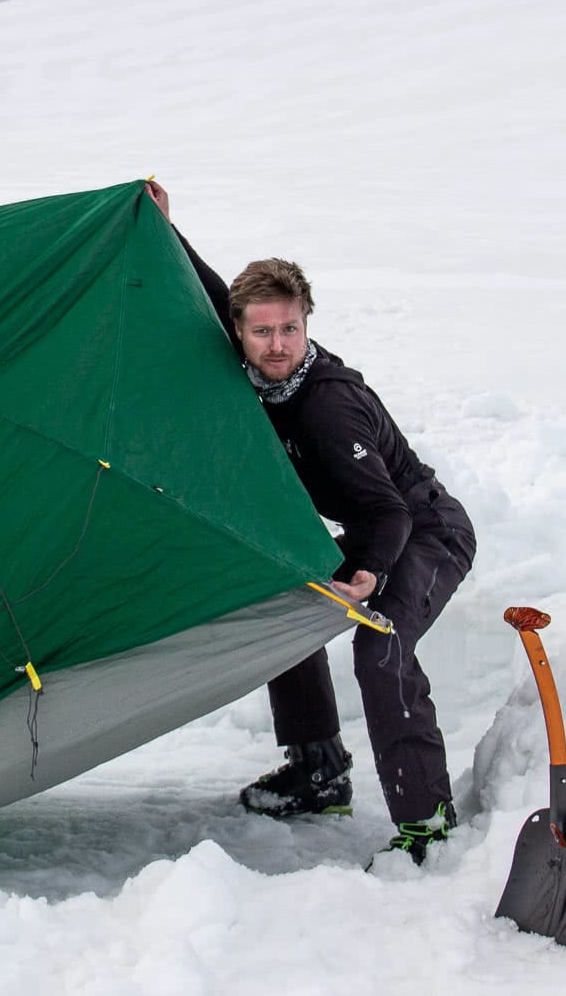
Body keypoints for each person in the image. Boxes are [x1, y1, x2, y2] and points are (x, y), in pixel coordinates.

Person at [148, 180, 477, 864]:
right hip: (373, 523)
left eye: (290, 330)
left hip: (423, 529)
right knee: (282, 594)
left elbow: (387, 510)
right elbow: (211, 291)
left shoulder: (329, 408)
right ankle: (319, 770)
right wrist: (165, 230)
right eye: (262, 331)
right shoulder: (252, 354)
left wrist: (371, 573)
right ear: (241, 330)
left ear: (307, 324)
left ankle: (428, 822)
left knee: (380, 646)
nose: (277, 345)